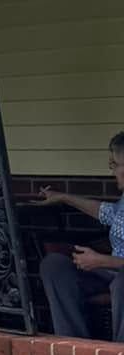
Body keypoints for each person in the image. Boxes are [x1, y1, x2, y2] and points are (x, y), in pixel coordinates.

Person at [36, 136, 124, 339]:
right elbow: (105, 212)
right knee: (54, 265)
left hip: (120, 275)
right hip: (111, 271)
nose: (111, 170)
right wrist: (64, 197)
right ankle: (72, 343)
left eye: (114, 164)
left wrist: (102, 260)